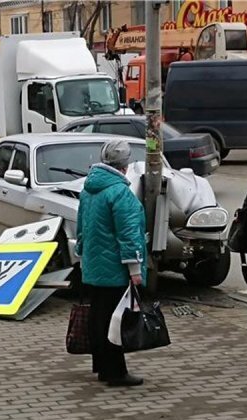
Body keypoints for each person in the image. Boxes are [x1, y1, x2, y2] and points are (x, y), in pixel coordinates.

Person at [75, 139, 148, 387]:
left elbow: (82, 227)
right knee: (115, 320)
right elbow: (128, 234)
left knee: (99, 316)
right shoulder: (120, 193)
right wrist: (135, 270)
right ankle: (116, 372)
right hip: (115, 268)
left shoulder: (88, 190)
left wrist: (83, 258)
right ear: (124, 166)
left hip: (94, 266)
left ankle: (101, 365)